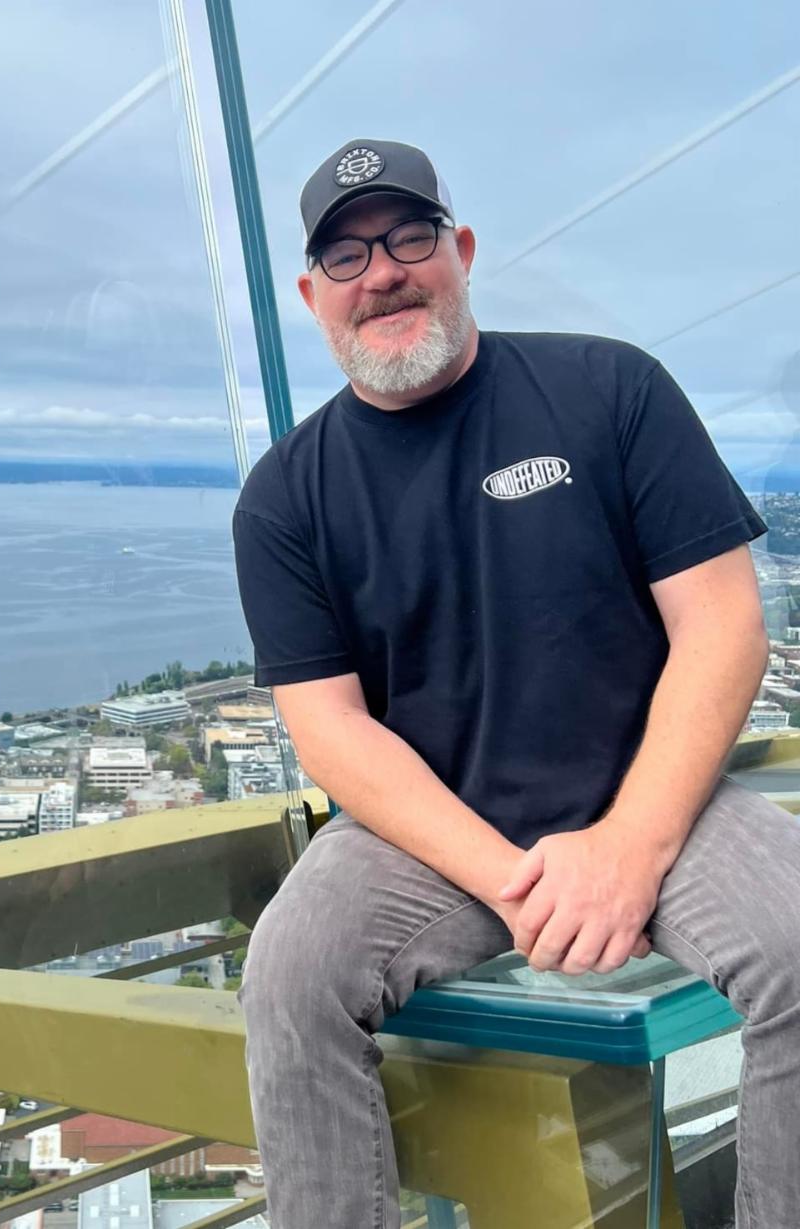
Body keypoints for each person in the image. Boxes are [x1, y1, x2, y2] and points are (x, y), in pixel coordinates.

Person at [231, 138, 800, 1229]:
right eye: (346, 255)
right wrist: (515, 882)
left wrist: (629, 847)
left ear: (463, 250)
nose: (381, 273)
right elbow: (331, 729)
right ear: (311, 296)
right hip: (428, 836)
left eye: (408, 238)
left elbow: (724, 625)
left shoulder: (609, 389)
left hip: (652, 794)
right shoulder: (285, 498)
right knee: (292, 978)